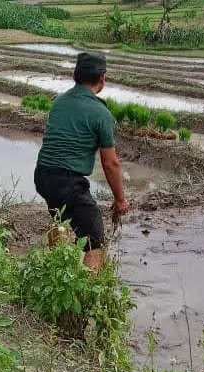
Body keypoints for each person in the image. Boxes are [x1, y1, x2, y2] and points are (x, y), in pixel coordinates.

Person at [34, 51, 130, 271]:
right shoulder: (100, 113)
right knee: (94, 238)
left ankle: (56, 273)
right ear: (102, 78)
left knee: (62, 223)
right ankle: (85, 295)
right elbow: (110, 164)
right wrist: (120, 199)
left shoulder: (59, 102)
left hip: (42, 175)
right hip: (68, 181)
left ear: (76, 75)